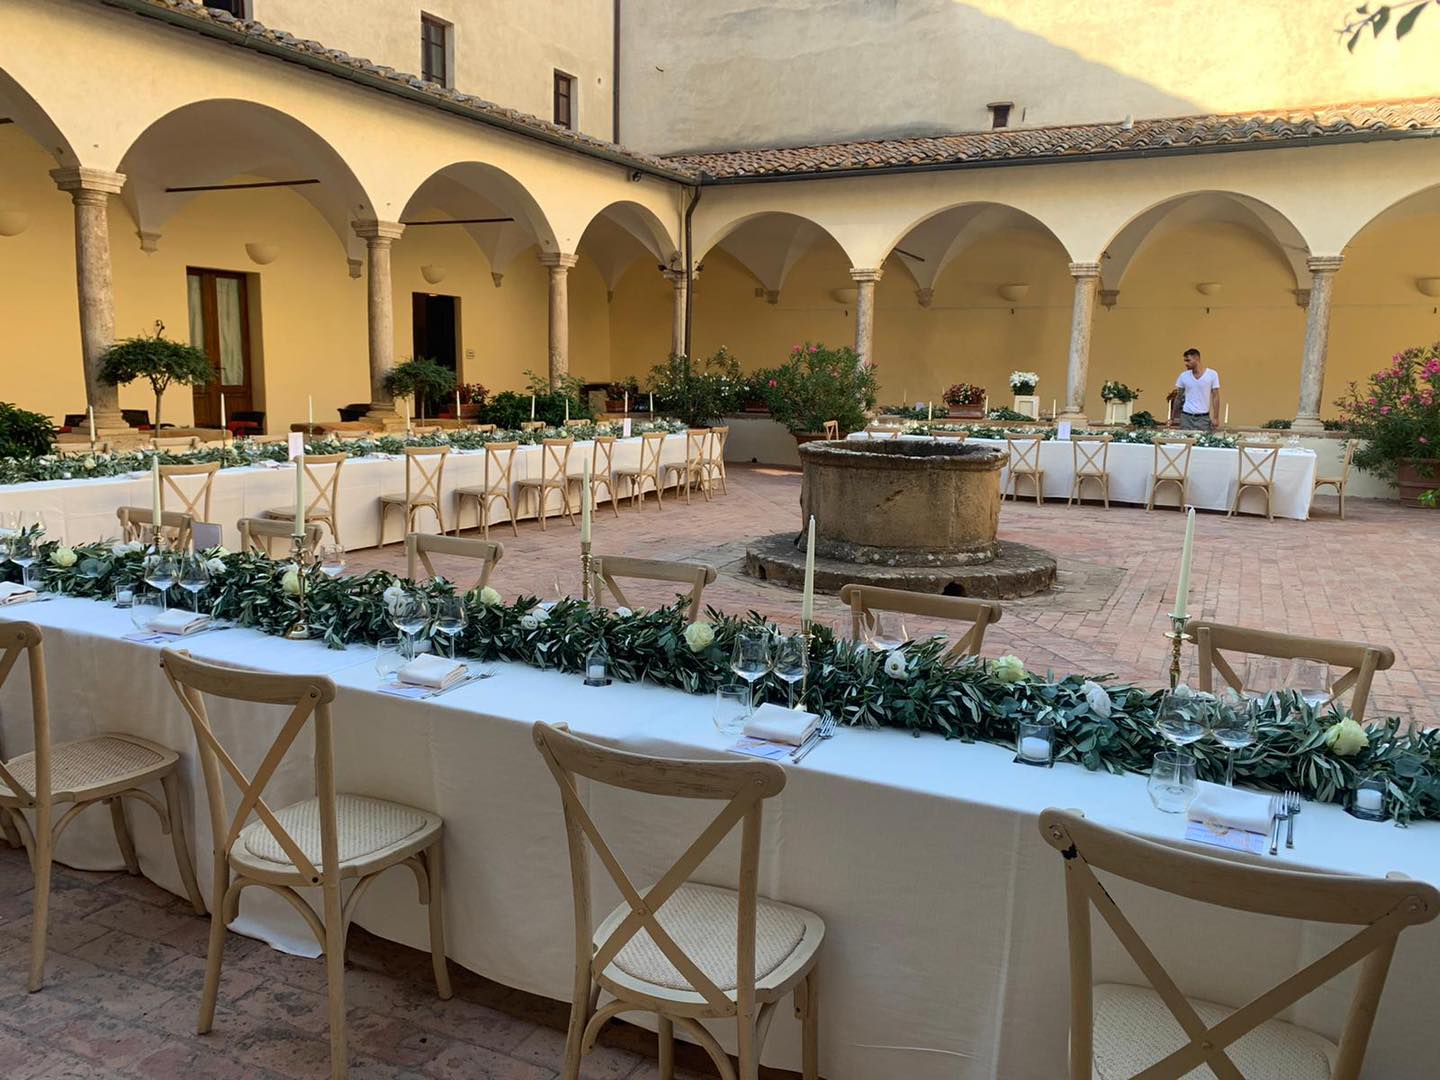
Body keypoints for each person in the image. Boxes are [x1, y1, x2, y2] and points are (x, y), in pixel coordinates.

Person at [1173, 348, 1219, 431]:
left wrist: (1216, 417)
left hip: (1203, 418)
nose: (1186, 363)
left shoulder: (1212, 374)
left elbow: (1215, 396)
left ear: (1197, 359)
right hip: (1186, 417)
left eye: (1188, 360)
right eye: (1185, 361)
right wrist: (1172, 418)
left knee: (1204, 439)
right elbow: (1178, 397)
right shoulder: (1183, 376)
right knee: (1185, 438)